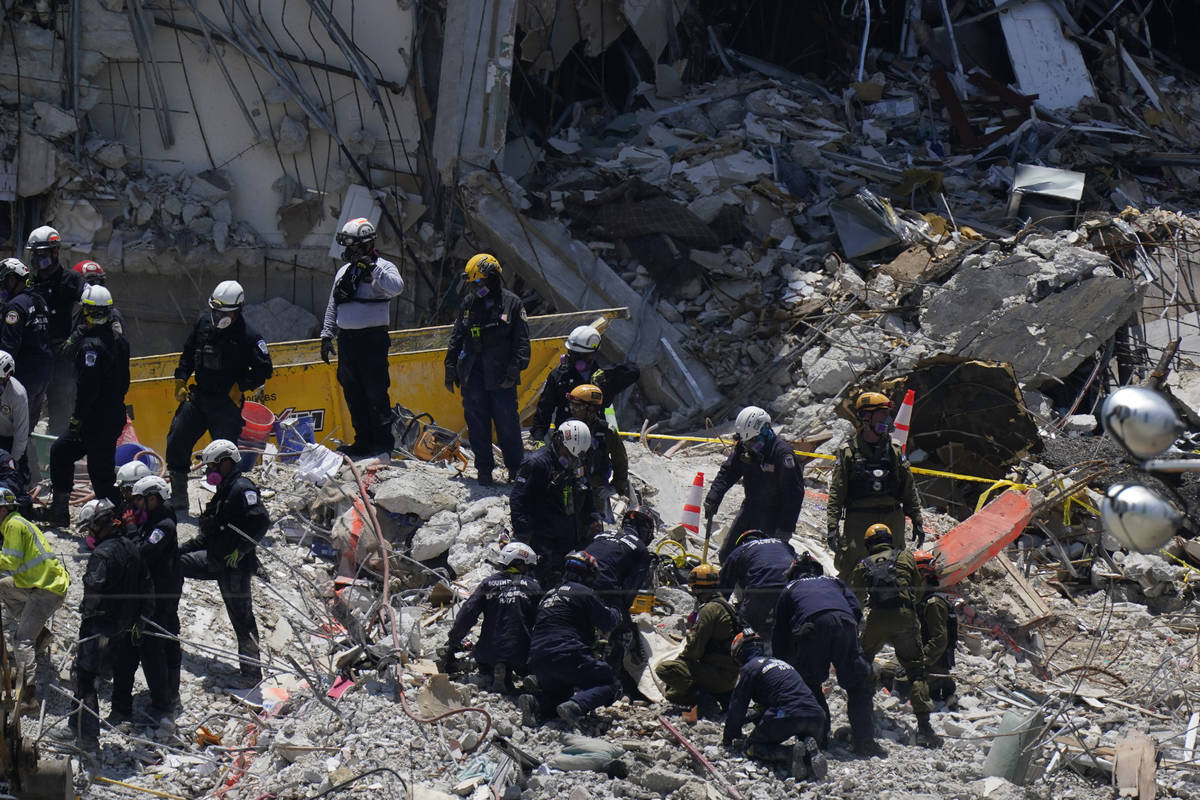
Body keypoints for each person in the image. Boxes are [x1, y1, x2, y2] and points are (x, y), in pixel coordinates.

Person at [166, 280, 273, 511]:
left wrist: (241, 386)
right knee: (177, 438)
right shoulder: (204, 324)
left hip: (226, 402)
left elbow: (265, 370)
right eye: (216, 311)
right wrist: (181, 379)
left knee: (224, 455)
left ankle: (225, 501)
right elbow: (187, 353)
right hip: (199, 397)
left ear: (238, 310)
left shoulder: (249, 336)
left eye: (225, 312)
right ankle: (178, 496)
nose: (219, 316)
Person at [178, 439, 270, 686]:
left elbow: (260, 521)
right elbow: (209, 534)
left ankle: (252, 675)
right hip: (217, 561)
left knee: (243, 620)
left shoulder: (241, 488)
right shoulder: (225, 490)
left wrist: (241, 551)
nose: (209, 473)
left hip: (235, 568)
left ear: (227, 463)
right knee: (175, 564)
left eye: (213, 467)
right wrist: (177, 551)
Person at [772, 553, 882, 757]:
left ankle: (818, 739)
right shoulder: (834, 581)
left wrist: (784, 664)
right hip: (845, 622)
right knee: (857, 682)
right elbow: (856, 609)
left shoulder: (790, 588)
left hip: (812, 627)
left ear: (793, 573)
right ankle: (864, 741)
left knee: (809, 683)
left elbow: (780, 633)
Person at [319, 217, 405, 457]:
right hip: (348, 341)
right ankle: (362, 441)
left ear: (366, 245)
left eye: (354, 246)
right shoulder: (344, 271)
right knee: (353, 392)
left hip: (373, 340)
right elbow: (333, 305)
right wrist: (327, 335)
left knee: (375, 391)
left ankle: (382, 444)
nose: (350, 251)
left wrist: (372, 268)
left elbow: (397, 287)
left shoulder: (384, 267)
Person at [852, 523, 941, 748]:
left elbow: (857, 602)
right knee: (915, 669)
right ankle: (924, 729)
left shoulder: (863, 565)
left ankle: (863, 716)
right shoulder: (905, 557)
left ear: (869, 544)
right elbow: (918, 589)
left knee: (863, 661)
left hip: (878, 619)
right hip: (905, 616)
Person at [444, 253, 530, 486]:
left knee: (507, 425)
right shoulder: (469, 304)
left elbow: (522, 343)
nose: (476, 288)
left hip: (502, 377)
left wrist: (514, 370)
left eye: (479, 283)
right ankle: (484, 471)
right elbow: (457, 336)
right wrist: (450, 365)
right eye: (473, 284)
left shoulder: (512, 304)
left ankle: (515, 469)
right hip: (473, 375)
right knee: (477, 424)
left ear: (493, 278)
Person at [73, 499, 153, 748]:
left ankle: (85, 736)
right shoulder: (131, 547)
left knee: (85, 677)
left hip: (100, 626)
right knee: (119, 670)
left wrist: (86, 610)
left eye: (89, 528)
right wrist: (142, 618)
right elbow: (146, 585)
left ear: (98, 525)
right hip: (125, 625)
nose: (89, 534)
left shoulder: (102, 554)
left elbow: (94, 592)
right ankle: (116, 713)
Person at [48, 285, 129, 526]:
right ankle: (60, 512)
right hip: (109, 416)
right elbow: (124, 381)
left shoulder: (90, 346)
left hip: (94, 421)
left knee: (101, 477)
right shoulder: (119, 341)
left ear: (85, 311)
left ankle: (125, 520)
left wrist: (76, 419)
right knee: (61, 452)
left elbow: (87, 390)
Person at [827, 391, 926, 582]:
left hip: (892, 517)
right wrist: (832, 526)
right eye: (882, 415)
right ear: (866, 417)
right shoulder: (848, 452)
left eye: (888, 415)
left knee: (897, 568)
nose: (888, 420)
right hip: (858, 520)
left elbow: (908, 488)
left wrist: (917, 519)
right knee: (851, 568)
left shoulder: (895, 450)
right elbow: (837, 492)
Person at [517, 551, 620, 727]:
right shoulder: (584, 592)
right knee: (608, 682)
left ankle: (537, 703)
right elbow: (608, 622)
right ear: (588, 574)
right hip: (568, 653)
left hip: (537, 659)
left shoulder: (548, 595)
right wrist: (617, 612)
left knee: (561, 692)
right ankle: (576, 706)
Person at [723, 630, 828, 781]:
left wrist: (729, 737)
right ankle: (808, 754)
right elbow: (765, 706)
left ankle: (790, 753)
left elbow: (737, 708)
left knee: (753, 747)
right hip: (817, 716)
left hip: (788, 714)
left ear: (739, 653)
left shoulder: (750, 668)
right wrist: (754, 714)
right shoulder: (781, 664)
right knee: (802, 734)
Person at [704, 406, 804, 564]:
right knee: (727, 557)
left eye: (753, 441)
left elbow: (794, 494)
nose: (750, 446)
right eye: (747, 442)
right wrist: (713, 497)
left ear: (765, 430)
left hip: (773, 518)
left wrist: (785, 528)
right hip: (749, 509)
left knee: (760, 563)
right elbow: (728, 472)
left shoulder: (782, 454)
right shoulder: (745, 448)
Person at [439, 541, 541, 692]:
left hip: (489, 651)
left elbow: (467, 615)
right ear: (519, 563)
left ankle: (496, 671)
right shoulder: (533, 587)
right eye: (528, 566)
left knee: (483, 660)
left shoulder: (488, 584)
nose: (528, 571)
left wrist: (453, 641)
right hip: (521, 652)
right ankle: (527, 675)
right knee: (529, 664)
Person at [0, 487, 68, 711]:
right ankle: (41, 634)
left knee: (22, 641)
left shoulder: (13, 525)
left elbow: (10, 562)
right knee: (4, 587)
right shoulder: (19, 521)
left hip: (45, 589)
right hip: (40, 584)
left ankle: (28, 697)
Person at [509, 419, 597, 585]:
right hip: (542, 541)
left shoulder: (576, 463)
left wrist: (592, 519)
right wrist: (523, 535)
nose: (570, 459)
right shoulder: (536, 464)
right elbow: (518, 500)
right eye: (568, 454)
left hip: (569, 538)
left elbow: (586, 493)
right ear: (559, 442)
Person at [528, 325, 640, 443]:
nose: (573, 358)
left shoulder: (603, 377)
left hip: (595, 435)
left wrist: (607, 372)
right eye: (571, 353)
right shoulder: (560, 376)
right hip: (566, 435)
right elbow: (544, 410)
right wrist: (538, 439)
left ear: (592, 354)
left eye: (579, 355)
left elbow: (634, 371)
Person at [655, 563, 739, 719]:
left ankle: (704, 700)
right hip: (730, 674)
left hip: (717, 673)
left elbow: (695, 649)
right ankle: (718, 695)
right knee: (674, 692)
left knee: (665, 670)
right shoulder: (727, 606)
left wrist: (679, 663)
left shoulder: (709, 610)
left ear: (698, 589)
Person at [130, 476, 183, 711]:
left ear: (153, 498)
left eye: (140, 500)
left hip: (161, 594)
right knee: (168, 640)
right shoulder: (156, 519)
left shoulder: (162, 526)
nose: (136, 505)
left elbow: (144, 552)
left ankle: (162, 701)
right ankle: (169, 693)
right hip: (164, 590)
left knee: (154, 646)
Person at [26, 226, 85, 436]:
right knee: (26, 412)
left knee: (61, 411)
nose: (37, 259)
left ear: (55, 252)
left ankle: (56, 459)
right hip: (34, 357)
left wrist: (74, 340)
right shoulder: (29, 282)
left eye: (41, 254)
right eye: (34, 254)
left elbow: (93, 309)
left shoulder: (70, 280)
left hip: (61, 357)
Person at [0, 259, 51, 441]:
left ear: (14, 279)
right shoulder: (39, 301)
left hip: (22, 376)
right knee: (25, 430)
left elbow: (8, 347)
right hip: (42, 376)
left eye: (5, 282)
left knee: (10, 432)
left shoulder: (14, 307)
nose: (3, 288)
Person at [719, 528, 795, 639]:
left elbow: (723, 587)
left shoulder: (740, 550)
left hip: (761, 588)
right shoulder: (784, 545)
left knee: (745, 630)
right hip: (793, 586)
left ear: (742, 542)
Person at [565, 384, 630, 515]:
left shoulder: (606, 431)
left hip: (597, 491)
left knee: (594, 527)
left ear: (591, 409)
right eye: (571, 405)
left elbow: (620, 460)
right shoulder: (567, 428)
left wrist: (615, 487)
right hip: (569, 487)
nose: (572, 409)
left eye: (577, 406)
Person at [914, 550, 957, 703]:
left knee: (890, 673)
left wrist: (920, 661)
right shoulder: (926, 600)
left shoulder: (933, 604)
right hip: (933, 661)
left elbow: (940, 639)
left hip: (933, 664)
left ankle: (940, 684)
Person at [0, 351, 30, 487]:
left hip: (9, 440)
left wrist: (13, 462)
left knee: (14, 481)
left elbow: (21, 435)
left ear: (8, 376)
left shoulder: (18, 395)